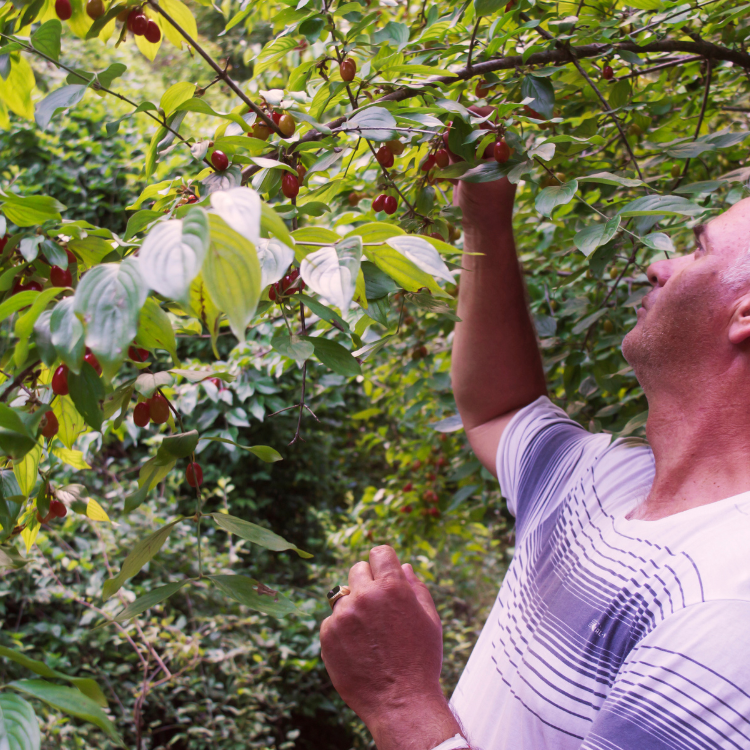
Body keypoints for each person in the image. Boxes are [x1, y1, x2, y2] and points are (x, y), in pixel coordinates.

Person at [319, 169, 750, 750]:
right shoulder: (604, 480)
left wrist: (399, 700)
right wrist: (484, 216)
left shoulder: (730, 606)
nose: (659, 266)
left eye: (697, 250)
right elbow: (499, 408)